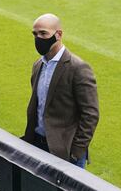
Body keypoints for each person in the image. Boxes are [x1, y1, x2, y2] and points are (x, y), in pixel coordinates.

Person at [22, 13, 99, 169]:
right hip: (36, 144)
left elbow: (91, 114)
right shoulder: (38, 65)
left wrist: (76, 153)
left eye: (43, 33)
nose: (38, 38)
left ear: (59, 34)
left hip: (65, 153)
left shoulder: (78, 68)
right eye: (35, 34)